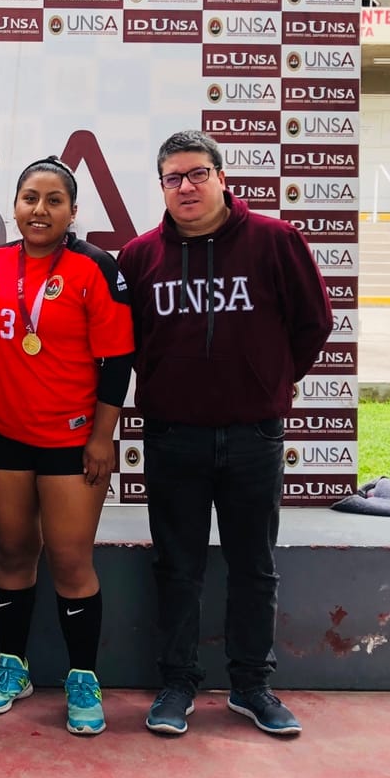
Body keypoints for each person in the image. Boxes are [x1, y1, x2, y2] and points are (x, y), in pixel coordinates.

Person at [117, 130, 332, 739]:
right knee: (176, 567)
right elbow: (124, 342)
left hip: (252, 435)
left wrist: (271, 382)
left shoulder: (275, 240)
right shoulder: (139, 256)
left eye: (197, 174)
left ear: (221, 177)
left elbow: (314, 321)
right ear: (162, 186)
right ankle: (177, 684)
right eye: (173, 178)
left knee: (254, 566)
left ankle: (251, 686)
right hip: (172, 435)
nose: (185, 187)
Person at [0, 156, 134, 737]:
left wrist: (102, 437)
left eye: (54, 200)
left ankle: (83, 677)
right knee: (13, 553)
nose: (40, 210)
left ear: (72, 211)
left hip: (71, 440)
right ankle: (13, 668)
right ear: (14, 206)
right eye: (30, 198)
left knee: (70, 561)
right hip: (3, 434)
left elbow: (117, 361)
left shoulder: (94, 267)